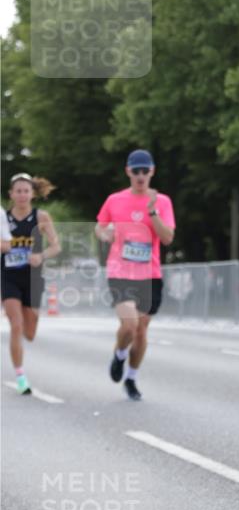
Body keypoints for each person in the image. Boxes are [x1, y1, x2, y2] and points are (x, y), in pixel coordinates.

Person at [95, 150, 175, 400]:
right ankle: (119, 355)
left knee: (141, 331)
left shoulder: (162, 201)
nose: (140, 176)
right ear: (128, 171)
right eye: (136, 171)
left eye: (145, 171)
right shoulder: (114, 200)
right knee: (129, 325)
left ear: (152, 172)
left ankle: (131, 378)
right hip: (120, 270)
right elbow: (100, 224)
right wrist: (104, 234)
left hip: (149, 273)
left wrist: (152, 213)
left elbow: (167, 237)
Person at [1, 174, 61, 395]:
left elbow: (56, 246)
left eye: (26, 191)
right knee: (15, 325)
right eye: (18, 191)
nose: (22, 195)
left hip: (33, 278)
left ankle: (26, 336)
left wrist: (41, 255)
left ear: (32, 194)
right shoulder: (3, 218)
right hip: (8, 276)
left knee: (30, 331)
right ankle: (20, 377)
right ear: (11, 194)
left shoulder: (41, 217)